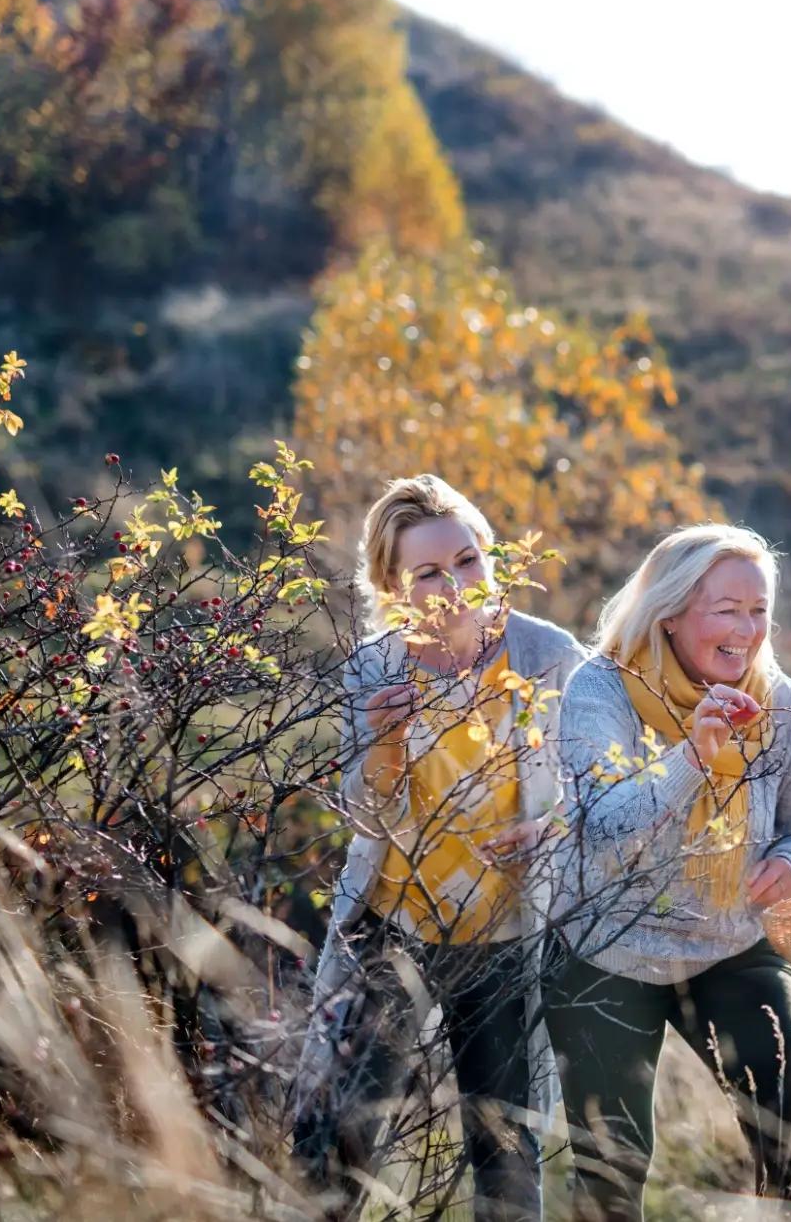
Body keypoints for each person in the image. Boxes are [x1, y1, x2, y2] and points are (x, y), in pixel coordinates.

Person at [293, 474, 586, 1222]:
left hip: (503, 933)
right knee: (337, 1145)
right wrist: (386, 740)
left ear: (490, 560)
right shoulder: (373, 668)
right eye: (427, 571)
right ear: (394, 585)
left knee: (508, 1162)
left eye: (466, 560)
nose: (453, 583)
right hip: (392, 931)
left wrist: (550, 828)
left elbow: (596, 790)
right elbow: (364, 815)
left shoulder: (548, 656)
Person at [543, 524, 791, 1220]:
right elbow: (600, 824)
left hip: (731, 947)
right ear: (670, 612)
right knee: (611, 1171)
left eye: (759, 609)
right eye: (727, 609)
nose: (748, 628)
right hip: (603, 953)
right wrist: (693, 757)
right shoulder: (601, 689)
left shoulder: (776, 696)